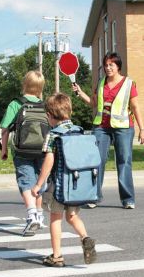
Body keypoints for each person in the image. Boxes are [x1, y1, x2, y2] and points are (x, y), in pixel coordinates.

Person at [72, 52, 144, 209]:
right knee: (97, 161)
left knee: (124, 161)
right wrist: (80, 92)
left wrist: (142, 129)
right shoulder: (100, 83)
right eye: (106, 65)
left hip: (124, 128)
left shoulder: (128, 84)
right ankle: (94, 197)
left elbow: (135, 107)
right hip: (101, 127)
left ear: (118, 66)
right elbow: (93, 103)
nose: (108, 67)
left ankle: (128, 199)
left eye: (111, 64)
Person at [30, 93, 97, 267]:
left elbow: (49, 161)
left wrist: (38, 184)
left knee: (55, 218)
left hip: (58, 186)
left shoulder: (53, 135)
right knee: (73, 216)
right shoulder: (79, 131)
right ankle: (85, 237)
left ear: (50, 115)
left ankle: (57, 256)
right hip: (76, 184)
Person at [0, 70, 47, 236]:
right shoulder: (45, 105)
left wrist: (4, 150)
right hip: (43, 150)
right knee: (39, 182)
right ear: (41, 87)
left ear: (24, 84)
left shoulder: (16, 103)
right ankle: (40, 215)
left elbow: (5, 129)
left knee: (25, 181)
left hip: (22, 150)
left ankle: (32, 214)